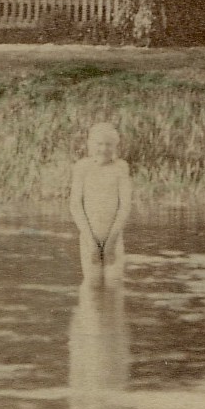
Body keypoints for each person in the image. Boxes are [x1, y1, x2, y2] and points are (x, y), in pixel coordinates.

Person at [69, 121, 133, 286]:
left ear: (115, 146)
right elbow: (75, 205)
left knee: (114, 284)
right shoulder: (82, 167)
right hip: (89, 237)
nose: (104, 149)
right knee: (92, 285)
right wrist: (91, 242)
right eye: (99, 144)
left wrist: (111, 241)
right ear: (90, 145)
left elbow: (125, 207)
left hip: (114, 236)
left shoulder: (121, 167)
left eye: (109, 144)